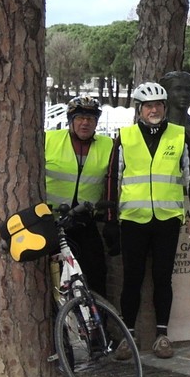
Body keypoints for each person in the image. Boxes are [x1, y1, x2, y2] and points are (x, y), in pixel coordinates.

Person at [107, 80, 190, 360]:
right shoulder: (125, 136)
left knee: (163, 278)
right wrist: (112, 219)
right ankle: (128, 336)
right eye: (148, 106)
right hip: (134, 220)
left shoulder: (179, 135)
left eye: (158, 105)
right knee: (132, 279)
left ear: (164, 107)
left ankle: (162, 335)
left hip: (167, 219)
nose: (154, 110)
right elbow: (114, 178)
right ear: (139, 110)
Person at [45, 95, 114, 291]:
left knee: (96, 273)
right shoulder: (49, 139)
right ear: (70, 121)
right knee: (49, 277)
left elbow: (117, 181)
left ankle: (96, 319)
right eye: (80, 118)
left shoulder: (108, 145)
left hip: (84, 221)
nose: (85, 123)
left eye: (90, 119)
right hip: (51, 221)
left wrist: (112, 220)